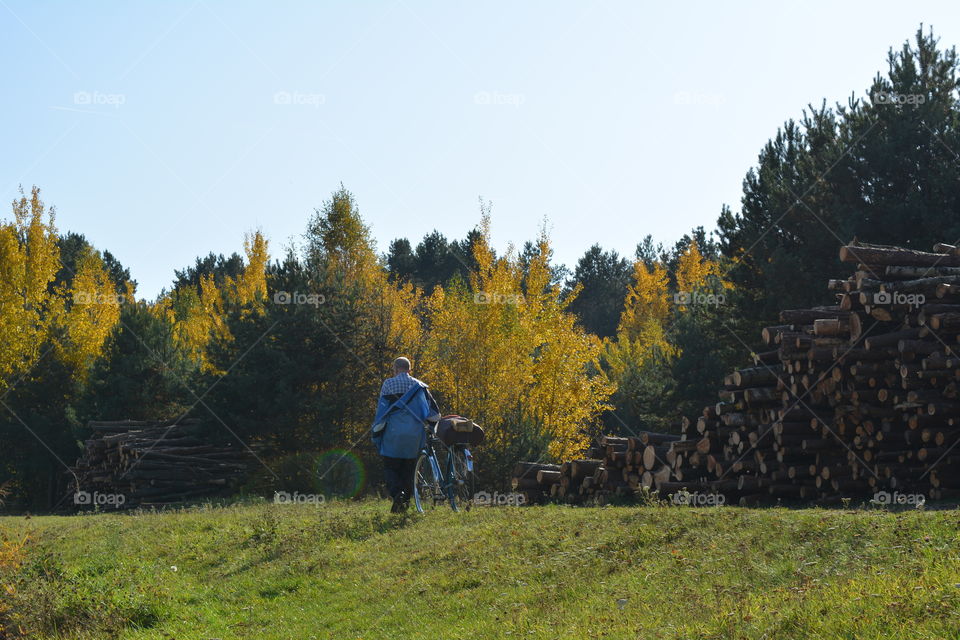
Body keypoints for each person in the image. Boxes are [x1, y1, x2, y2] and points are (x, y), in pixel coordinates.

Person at [371, 357, 440, 512]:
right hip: (414, 436)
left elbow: (381, 413)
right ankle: (405, 504)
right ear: (410, 369)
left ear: (395, 369)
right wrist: (431, 427)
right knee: (409, 470)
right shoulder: (419, 386)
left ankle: (397, 494)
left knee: (391, 468)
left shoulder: (388, 384)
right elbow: (434, 414)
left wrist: (376, 433)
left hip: (392, 435)